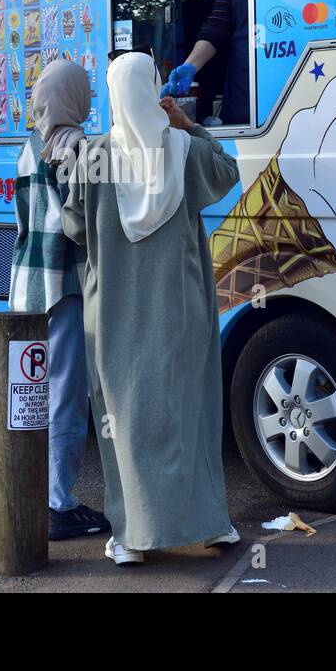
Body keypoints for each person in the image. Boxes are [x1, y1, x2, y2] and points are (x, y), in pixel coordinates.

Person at [62, 51, 241, 565]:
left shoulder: (93, 155)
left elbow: (74, 227)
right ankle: (209, 525)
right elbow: (228, 172)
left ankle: (132, 538)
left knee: (124, 415)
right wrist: (188, 124)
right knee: (189, 408)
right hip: (180, 303)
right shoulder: (183, 149)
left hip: (113, 307)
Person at [9, 60, 112, 541]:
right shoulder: (76, 148)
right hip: (65, 284)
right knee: (67, 398)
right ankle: (57, 504)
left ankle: (31, 494)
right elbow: (84, 221)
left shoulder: (28, 147)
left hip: (27, 281)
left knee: (31, 395)